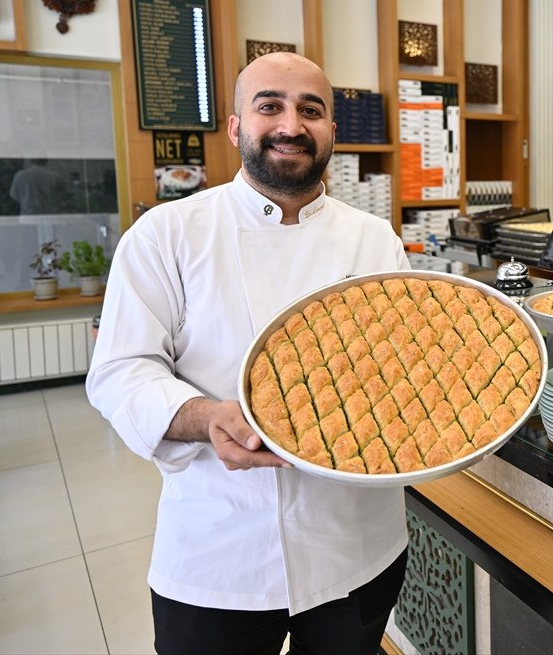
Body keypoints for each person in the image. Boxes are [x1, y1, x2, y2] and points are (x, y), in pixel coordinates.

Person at [87, 52, 411, 655]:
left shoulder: (375, 241)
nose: (290, 125)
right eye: (269, 106)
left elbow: (408, 364)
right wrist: (208, 417)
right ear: (236, 127)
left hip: (357, 547)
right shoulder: (167, 234)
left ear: (331, 132)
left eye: (310, 110)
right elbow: (119, 371)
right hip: (218, 554)